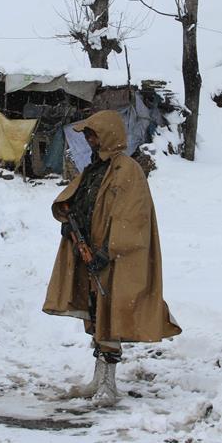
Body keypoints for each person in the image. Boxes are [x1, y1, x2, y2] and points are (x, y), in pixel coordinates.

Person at [43, 110, 181, 407]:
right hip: (90, 254)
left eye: (93, 134)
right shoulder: (95, 169)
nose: (90, 140)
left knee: (112, 315)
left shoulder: (126, 170)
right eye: (88, 135)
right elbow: (78, 199)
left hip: (116, 259)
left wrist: (107, 250)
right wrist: (70, 218)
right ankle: (98, 378)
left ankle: (109, 382)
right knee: (96, 315)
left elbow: (132, 218)